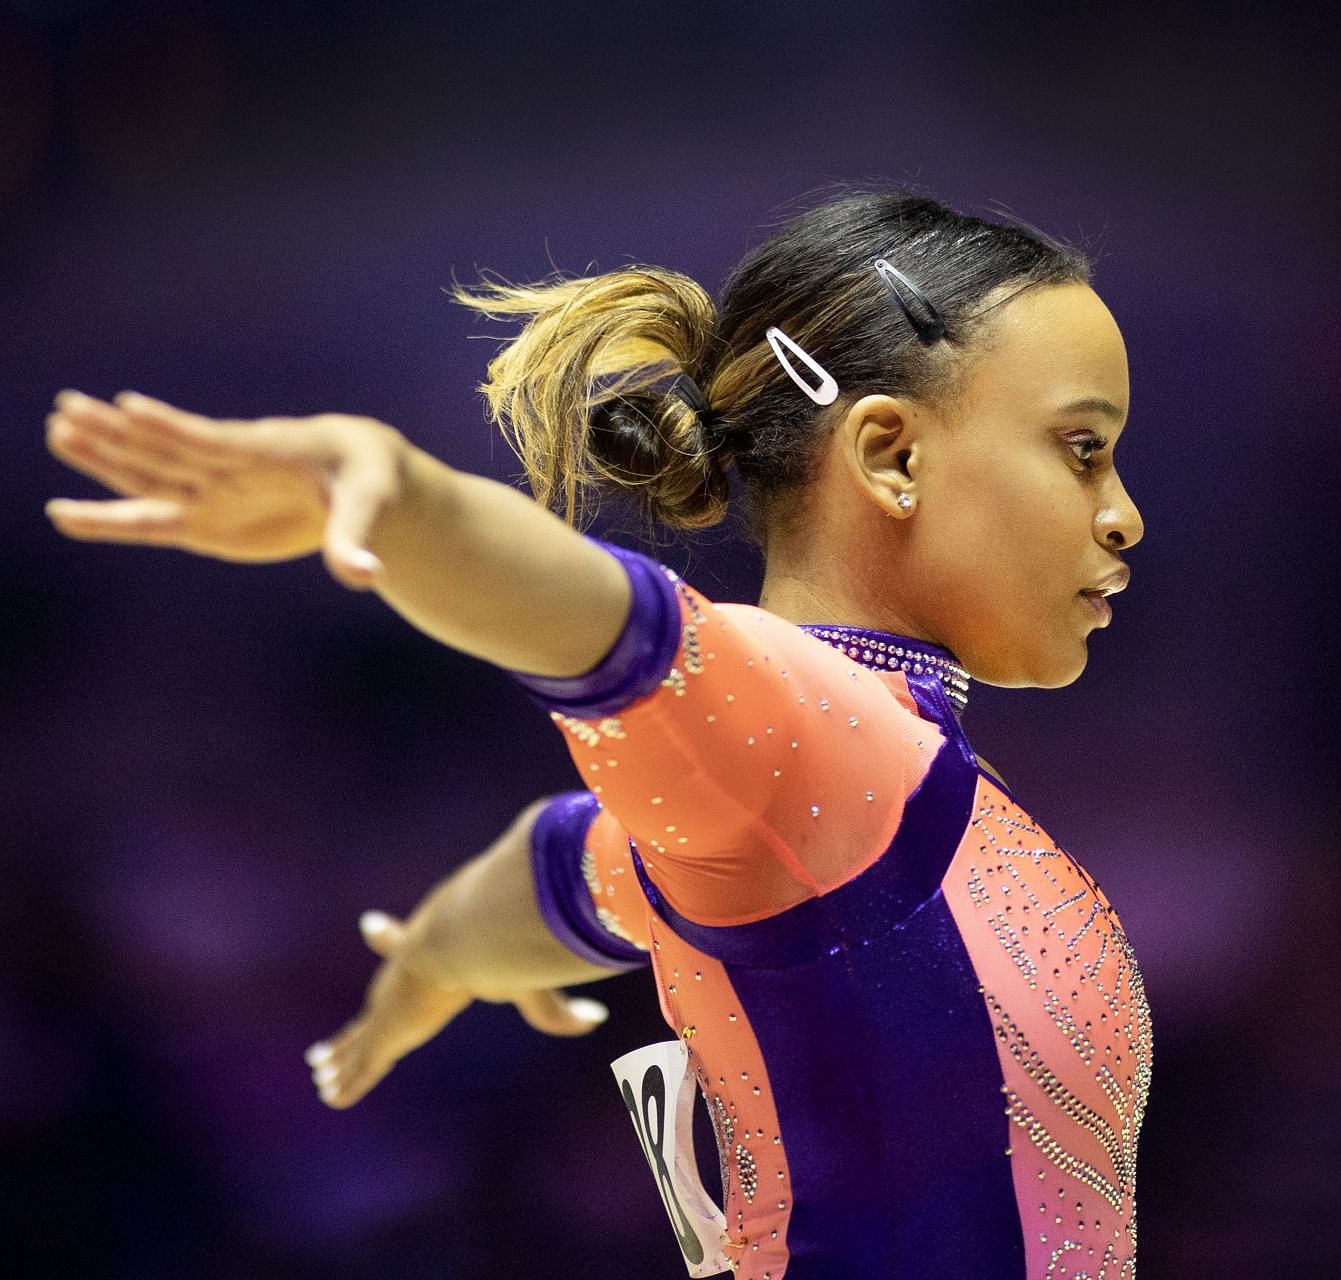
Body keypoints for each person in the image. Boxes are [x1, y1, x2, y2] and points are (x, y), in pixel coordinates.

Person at [42, 190, 1151, 1279]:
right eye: (1083, 447)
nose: (1124, 513)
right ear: (892, 456)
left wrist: (437, 952)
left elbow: (574, 870)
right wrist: (404, 502)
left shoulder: (839, 796)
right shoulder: (826, 739)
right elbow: (603, 623)